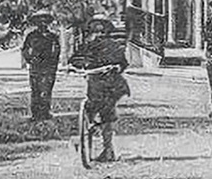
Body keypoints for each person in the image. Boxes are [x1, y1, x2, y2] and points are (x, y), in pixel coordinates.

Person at [71, 16, 131, 162]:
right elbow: (75, 59)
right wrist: (76, 66)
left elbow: (123, 62)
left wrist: (117, 67)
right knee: (90, 106)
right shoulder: (87, 46)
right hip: (94, 81)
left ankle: (108, 149)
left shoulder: (113, 46)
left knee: (107, 113)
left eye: (101, 31)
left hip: (111, 84)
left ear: (106, 31)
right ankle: (84, 132)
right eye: (95, 31)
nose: (98, 34)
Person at [20, 11, 61, 122]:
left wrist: (53, 64)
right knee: (35, 90)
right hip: (35, 67)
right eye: (39, 21)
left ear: (48, 23)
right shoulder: (31, 36)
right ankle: (35, 114)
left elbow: (57, 51)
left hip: (48, 67)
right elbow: (25, 50)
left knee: (46, 90)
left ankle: (45, 113)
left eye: (44, 21)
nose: (42, 24)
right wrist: (30, 59)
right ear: (36, 23)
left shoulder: (53, 37)